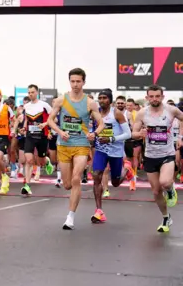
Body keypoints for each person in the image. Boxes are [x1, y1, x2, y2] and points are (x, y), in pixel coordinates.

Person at [48, 68, 105, 230]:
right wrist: (60, 131)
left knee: (76, 179)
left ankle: (70, 217)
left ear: (83, 82)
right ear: (69, 82)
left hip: (81, 144)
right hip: (64, 145)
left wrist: (94, 133)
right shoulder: (61, 100)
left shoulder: (89, 102)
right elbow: (50, 120)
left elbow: (101, 123)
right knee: (67, 184)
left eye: (78, 81)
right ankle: (71, 191)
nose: (75, 84)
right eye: (72, 81)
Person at [131, 84, 183, 232]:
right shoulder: (142, 113)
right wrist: (139, 134)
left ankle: (170, 189)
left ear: (162, 97)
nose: (154, 99)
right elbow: (133, 132)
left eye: (157, 96)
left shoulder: (171, 110)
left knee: (165, 182)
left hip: (167, 154)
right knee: (155, 192)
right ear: (147, 97)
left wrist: (180, 136)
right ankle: (166, 217)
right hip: (150, 156)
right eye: (151, 96)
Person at [90, 89, 132, 223]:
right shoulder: (95, 114)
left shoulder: (117, 113)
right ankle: (99, 211)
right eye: (100, 98)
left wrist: (111, 139)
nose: (102, 100)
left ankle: (126, 169)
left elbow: (128, 134)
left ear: (110, 100)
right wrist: (92, 137)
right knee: (96, 175)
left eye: (104, 98)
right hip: (101, 150)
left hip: (116, 152)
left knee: (115, 183)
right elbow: (94, 129)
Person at [13, 84, 53, 195]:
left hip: (42, 136)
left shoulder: (44, 105)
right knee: (29, 160)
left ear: (37, 92)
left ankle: (47, 161)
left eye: (32, 92)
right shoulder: (27, 106)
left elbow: (53, 117)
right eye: (29, 92)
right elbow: (26, 119)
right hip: (30, 136)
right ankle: (27, 185)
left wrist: (45, 124)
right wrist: (24, 128)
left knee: (41, 161)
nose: (30, 94)